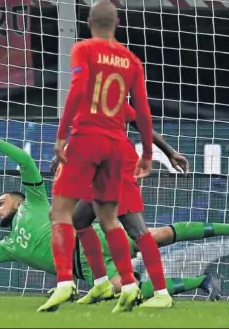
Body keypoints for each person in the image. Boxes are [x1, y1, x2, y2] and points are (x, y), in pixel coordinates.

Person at [0, 116, 225, 302]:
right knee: (128, 289)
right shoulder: (8, 248)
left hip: (92, 237)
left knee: (160, 234)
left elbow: (22, 159)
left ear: (17, 198)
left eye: (0, 201)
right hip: (88, 269)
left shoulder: (34, 200)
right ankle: (200, 281)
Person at [43, 0, 155, 313]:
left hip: (87, 138)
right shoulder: (131, 59)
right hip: (117, 144)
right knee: (108, 218)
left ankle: (65, 281)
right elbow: (143, 111)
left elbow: (78, 89)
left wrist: (62, 134)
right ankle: (129, 285)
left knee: (60, 212)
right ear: (116, 22)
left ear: (89, 22)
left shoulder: (84, 49)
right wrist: (146, 152)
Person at [62, 102, 188, 308]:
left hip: (117, 167)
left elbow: (142, 125)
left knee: (137, 230)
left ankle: (162, 294)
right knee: (80, 219)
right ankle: (102, 284)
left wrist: (169, 152)